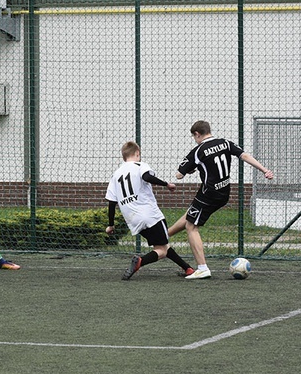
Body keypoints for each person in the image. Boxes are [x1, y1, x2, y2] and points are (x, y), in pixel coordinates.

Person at [168, 120, 274, 279]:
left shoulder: (198, 150)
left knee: (191, 226)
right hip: (224, 192)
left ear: (197, 134)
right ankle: (165, 235)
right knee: (192, 214)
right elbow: (244, 155)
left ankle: (202, 268)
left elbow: (179, 174)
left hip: (208, 194)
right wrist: (264, 170)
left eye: (194, 137)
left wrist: (191, 169)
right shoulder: (225, 143)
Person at [105, 141, 194, 280]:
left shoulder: (115, 175)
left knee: (162, 244)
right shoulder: (140, 165)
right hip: (150, 215)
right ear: (137, 154)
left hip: (132, 219)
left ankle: (187, 268)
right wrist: (167, 184)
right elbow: (147, 177)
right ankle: (140, 262)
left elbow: (111, 202)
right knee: (162, 250)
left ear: (124, 157)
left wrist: (110, 225)